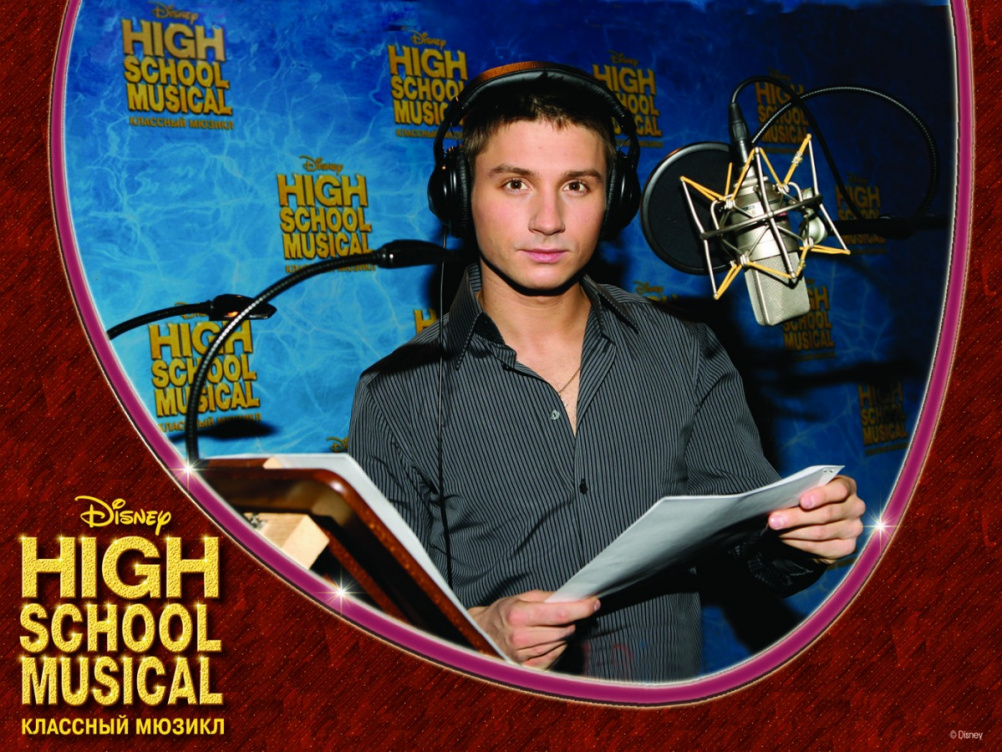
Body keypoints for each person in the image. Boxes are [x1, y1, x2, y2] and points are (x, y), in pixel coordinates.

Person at [348, 62, 865, 682]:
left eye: (577, 186)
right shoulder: (396, 392)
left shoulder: (685, 352)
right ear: (460, 195)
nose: (548, 220)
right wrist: (474, 633)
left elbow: (751, 553)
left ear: (614, 200)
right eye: (514, 183)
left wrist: (801, 536)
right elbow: (376, 626)